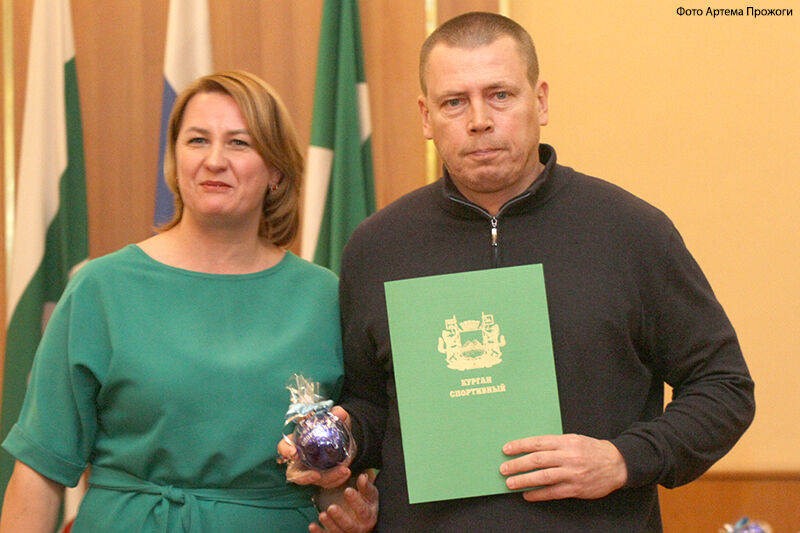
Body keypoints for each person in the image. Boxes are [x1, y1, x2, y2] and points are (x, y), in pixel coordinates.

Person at [286, 12, 756, 532]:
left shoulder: (631, 231)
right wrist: (344, 438)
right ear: (426, 116)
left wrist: (625, 459)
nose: (479, 120)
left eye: (500, 95)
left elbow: (724, 387)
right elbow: (375, 406)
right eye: (454, 102)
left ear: (541, 101)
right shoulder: (377, 247)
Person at [0, 71, 377, 533]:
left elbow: (337, 474)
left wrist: (350, 509)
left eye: (239, 143)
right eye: (197, 140)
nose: (214, 161)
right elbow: (39, 473)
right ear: (175, 161)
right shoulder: (101, 288)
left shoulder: (325, 296)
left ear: (276, 171)